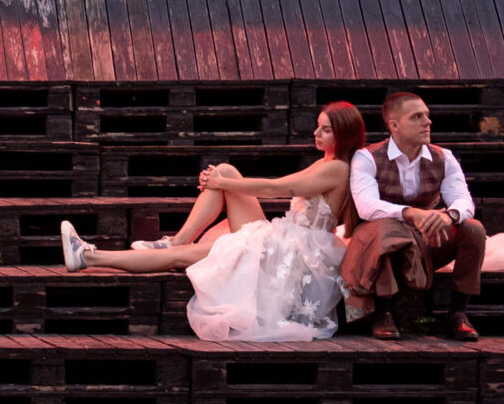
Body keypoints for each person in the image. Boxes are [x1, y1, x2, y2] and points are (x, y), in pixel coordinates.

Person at [60, 103, 365, 342]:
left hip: (291, 255)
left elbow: (279, 188)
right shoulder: (325, 162)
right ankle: (172, 240)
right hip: (285, 239)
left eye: (325, 130)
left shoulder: (337, 169)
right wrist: (221, 181)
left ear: (344, 135)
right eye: (317, 126)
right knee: (225, 173)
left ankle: (89, 256)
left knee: (181, 254)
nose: (316, 132)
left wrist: (221, 184)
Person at [340, 89, 484, 342]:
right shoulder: (367, 157)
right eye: (416, 117)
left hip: (428, 238)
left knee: (473, 229)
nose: (427, 122)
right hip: (384, 241)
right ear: (394, 125)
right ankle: (383, 312)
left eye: (426, 115)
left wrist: (449, 216)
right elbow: (366, 206)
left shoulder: (443, 157)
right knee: (386, 230)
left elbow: (464, 200)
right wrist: (409, 213)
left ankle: (457, 313)